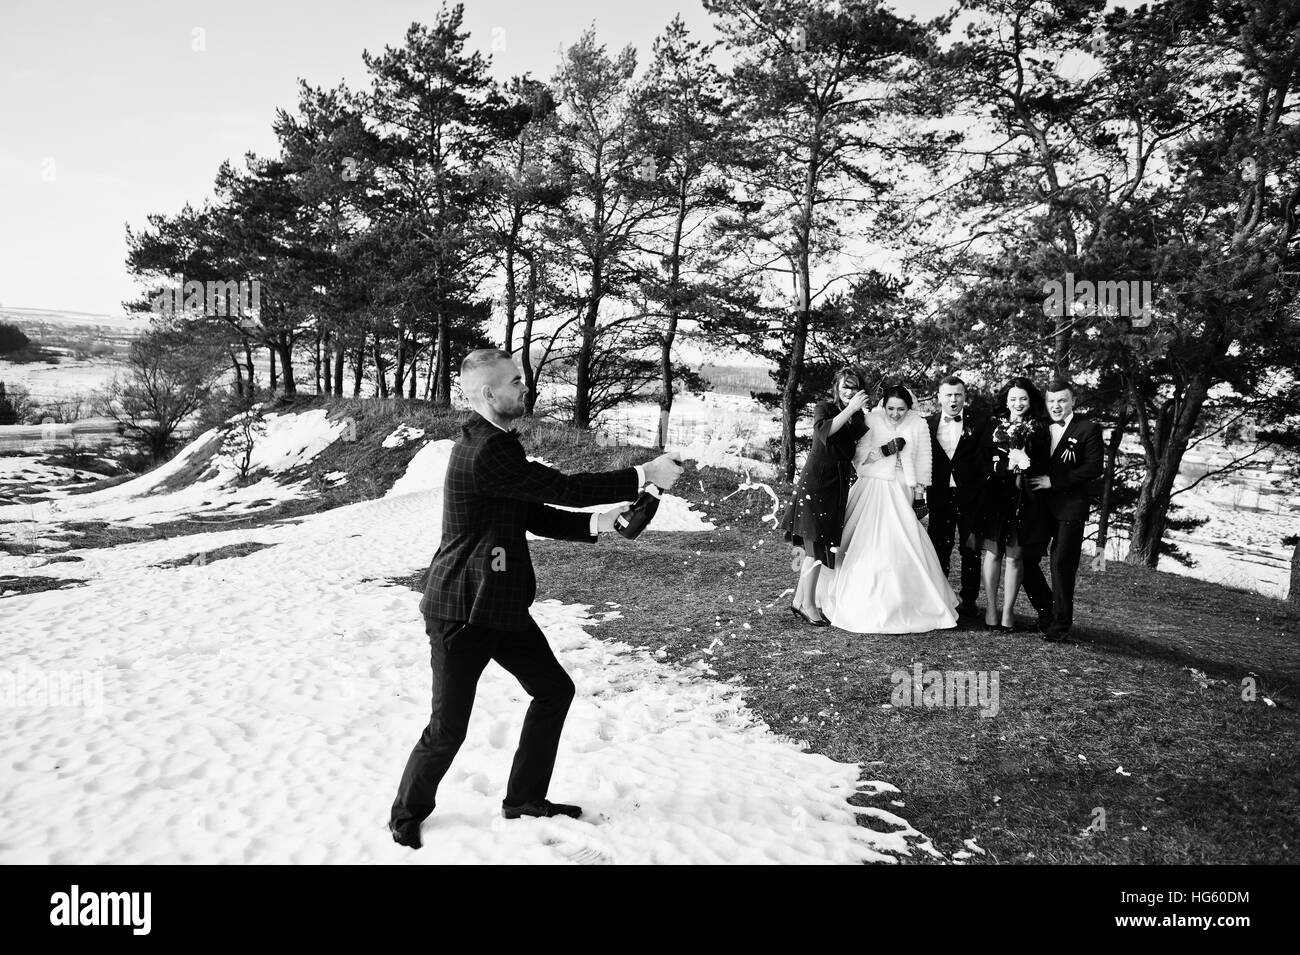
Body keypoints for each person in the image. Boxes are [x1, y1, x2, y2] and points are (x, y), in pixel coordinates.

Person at [389, 348, 683, 849]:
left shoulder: (497, 443)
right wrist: (643, 474)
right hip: (461, 611)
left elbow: (531, 511)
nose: (526, 388)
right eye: (516, 382)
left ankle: (524, 798)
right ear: (488, 394)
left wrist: (599, 520)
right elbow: (561, 487)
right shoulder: (486, 450)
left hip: (500, 606)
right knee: (448, 729)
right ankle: (405, 814)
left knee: (552, 691)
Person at [816, 384, 959, 634]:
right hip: (873, 486)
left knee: (904, 542)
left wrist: (918, 493)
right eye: (891, 408)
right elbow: (859, 458)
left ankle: (910, 602)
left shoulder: (919, 424)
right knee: (867, 543)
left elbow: (924, 460)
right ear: (884, 405)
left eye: (901, 409)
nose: (895, 414)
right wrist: (885, 450)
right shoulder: (872, 419)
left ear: (909, 407)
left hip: (902, 488)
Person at [779, 366, 871, 626]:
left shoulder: (858, 417)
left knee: (820, 543)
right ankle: (809, 605)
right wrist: (851, 408)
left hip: (838, 484)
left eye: (854, 387)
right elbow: (824, 433)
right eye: (845, 386)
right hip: (818, 481)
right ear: (836, 387)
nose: (849, 391)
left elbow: (860, 450)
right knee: (816, 546)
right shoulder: (825, 407)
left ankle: (799, 600)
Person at [1023, 379, 1105, 642]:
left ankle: (1060, 626)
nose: (1056, 406)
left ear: (1073, 402)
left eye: (1062, 400)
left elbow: (1094, 467)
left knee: (1061, 565)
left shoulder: (1088, 429)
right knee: (1024, 559)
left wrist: (1054, 481)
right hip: (1039, 506)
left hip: (1070, 508)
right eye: (1051, 401)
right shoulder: (1039, 426)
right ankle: (1047, 611)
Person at [973, 378, 1052, 632]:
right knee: (993, 552)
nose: (1018, 403)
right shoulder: (994, 424)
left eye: (1023, 399)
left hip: (1024, 499)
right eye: (1013, 398)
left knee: (1015, 557)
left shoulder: (1040, 427)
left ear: (1031, 401)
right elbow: (982, 459)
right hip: (996, 495)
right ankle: (992, 610)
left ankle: (1008, 613)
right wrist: (1003, 466)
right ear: (1006, 400)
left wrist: (1026, 464)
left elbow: (1044, 462)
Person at [925, 375, 988, 618]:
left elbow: (983, 461)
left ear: (964, 396)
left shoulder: (980, 423)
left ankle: (969, 600)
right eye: (948, 395)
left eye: (958, 394)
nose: (953, 399)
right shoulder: (927, 424)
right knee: (939, 547)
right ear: (939, 397)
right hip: (939, 496)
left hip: (970, 498)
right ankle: (939, 596)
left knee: (970, 549)